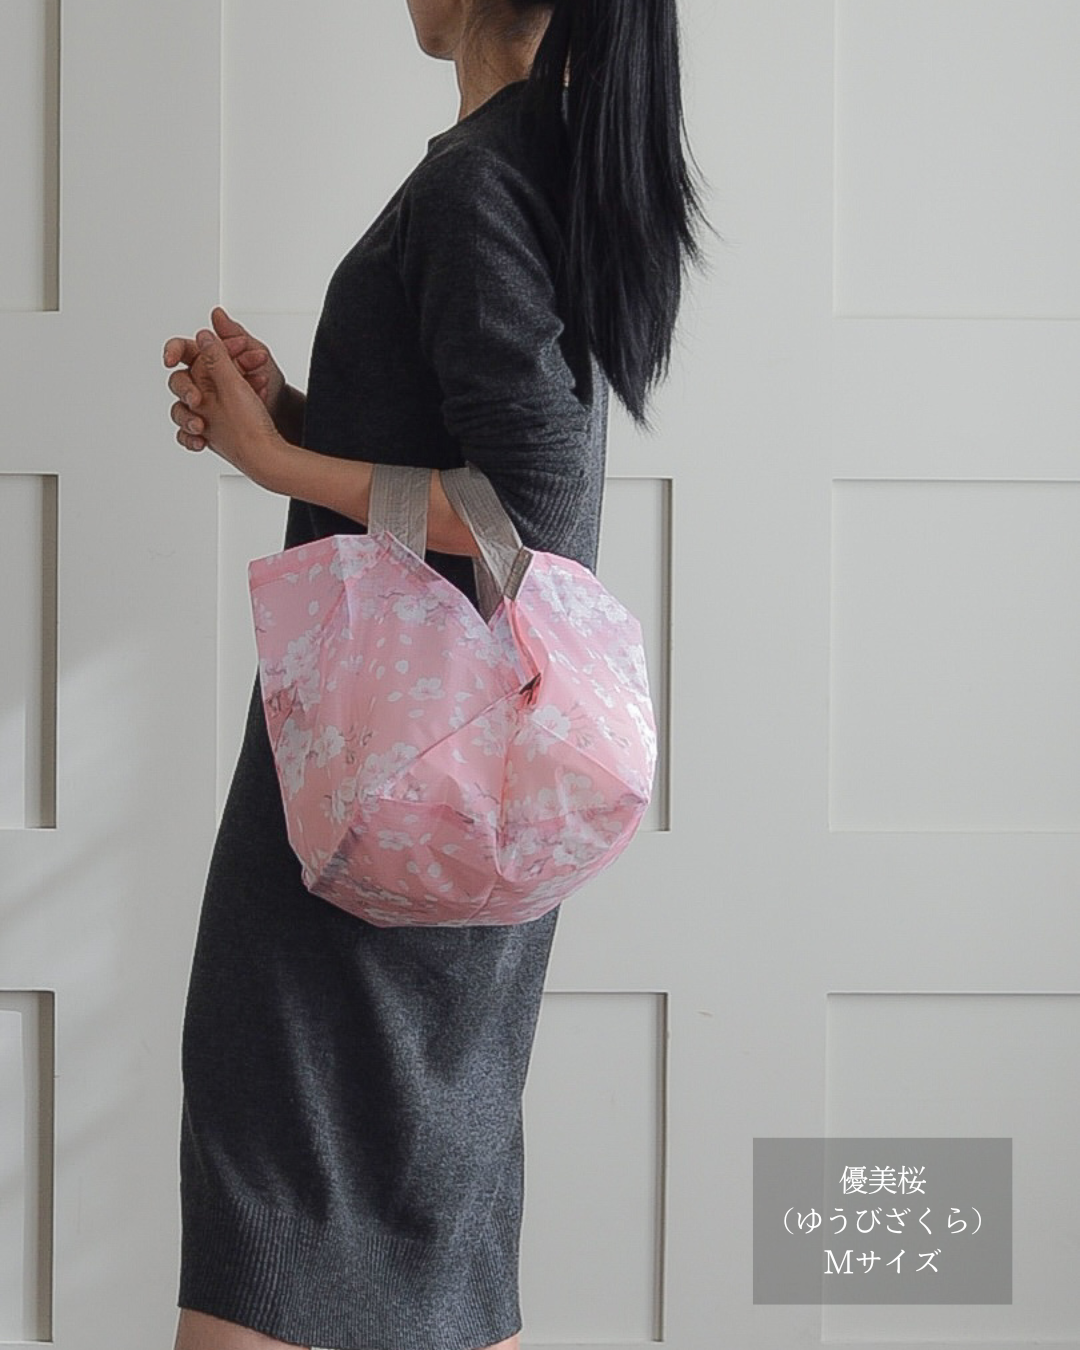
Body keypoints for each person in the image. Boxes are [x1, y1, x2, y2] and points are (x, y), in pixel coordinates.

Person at [161, 1, 712, 1347]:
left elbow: (524, 517)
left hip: (371, 793)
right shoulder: (543, 164)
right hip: (451, 785)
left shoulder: (478, 184)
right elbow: (474, 480)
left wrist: (280, 463)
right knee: (438, 1232)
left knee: (268, 1227)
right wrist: (300, 418)